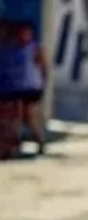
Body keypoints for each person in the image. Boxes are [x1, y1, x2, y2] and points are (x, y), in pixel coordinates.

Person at [11, 23, 48, 155]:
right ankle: (19, 143)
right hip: (21, 86)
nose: (23, 35)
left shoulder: (35, 48)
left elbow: (44, 67)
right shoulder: (18, 47)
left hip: (33, 87)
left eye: (26, 33)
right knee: (20, 116)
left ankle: (40, 141)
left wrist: (43, 83)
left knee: (31, 115)